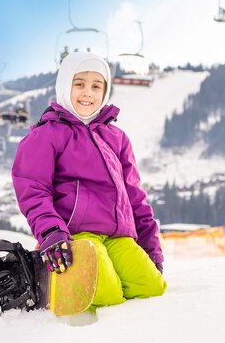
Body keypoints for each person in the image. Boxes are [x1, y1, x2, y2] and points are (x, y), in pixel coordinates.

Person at [12, 51, 166, 309]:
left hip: (119, 237)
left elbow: (135, 197)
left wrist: (151, 250)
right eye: (79, 83)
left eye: (96, 86)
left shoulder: (117, 138)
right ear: (64, 85)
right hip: (76, 237)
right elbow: (33, 190)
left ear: (105, 92)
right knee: (107, 295)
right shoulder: (47, 136)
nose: (88, 93)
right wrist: (51, 233)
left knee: (152, 288)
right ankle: (64, 293)